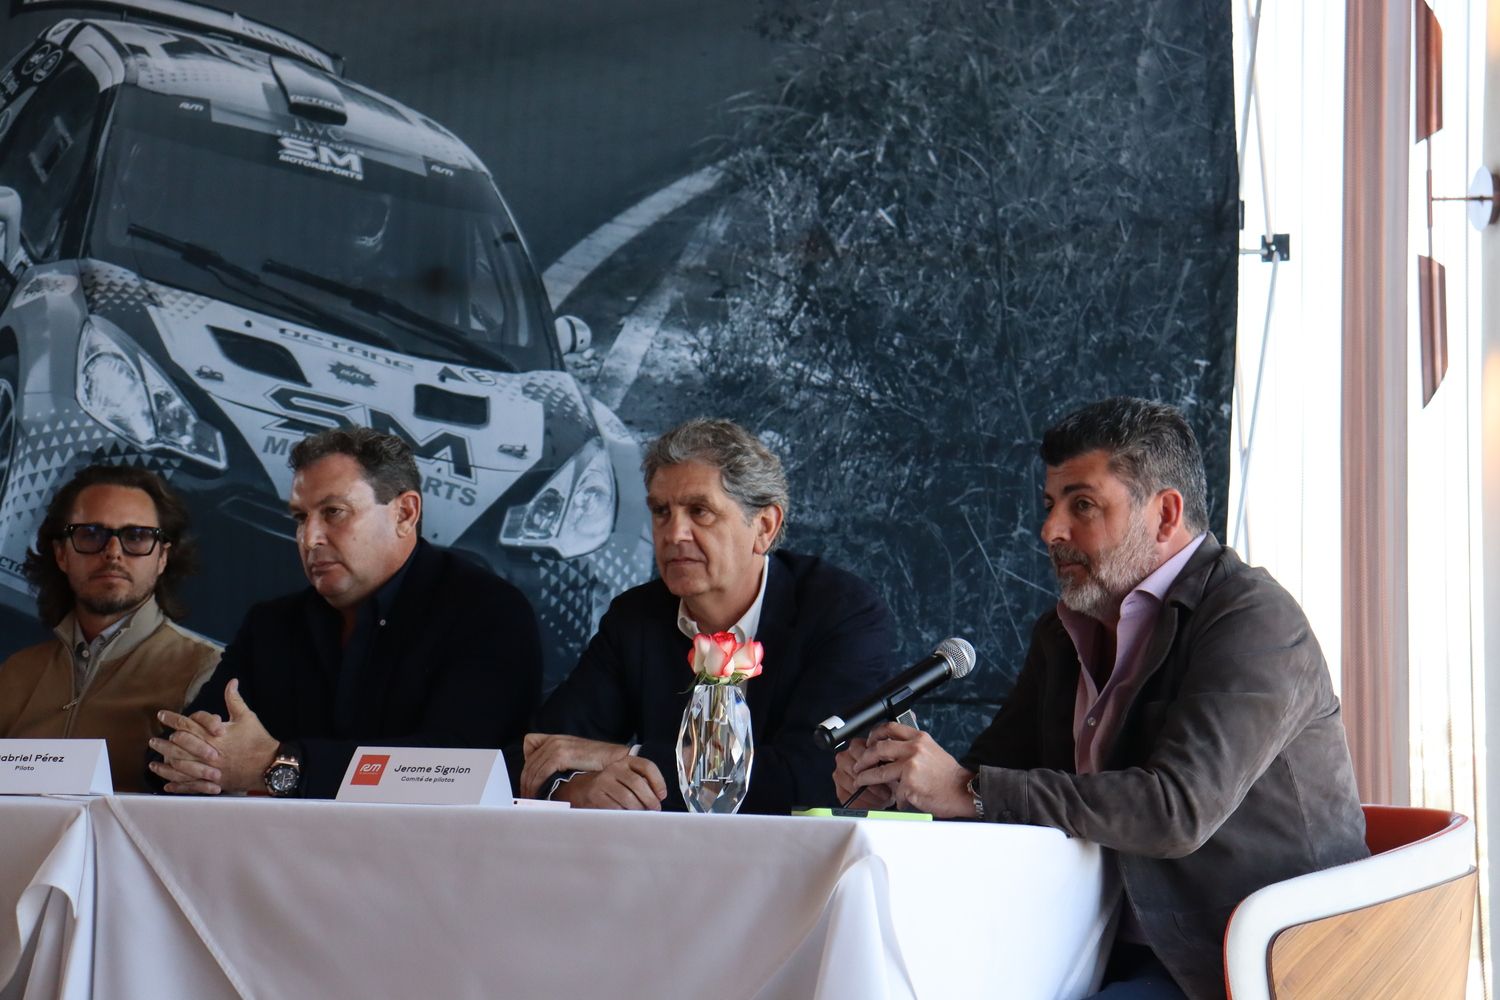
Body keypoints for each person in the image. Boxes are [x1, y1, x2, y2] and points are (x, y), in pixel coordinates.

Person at [834, 397, 1368, 1000]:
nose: (1049, 530)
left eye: (1081, 505)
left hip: (1246, 964)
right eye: (1049, 505)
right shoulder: (1063, 631)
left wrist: (965, 791)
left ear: (1165, 514)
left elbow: (1176, 809)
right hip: (1084, 944)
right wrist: (905, 784)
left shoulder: (1253, 619)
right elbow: (985, 778)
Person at [521, 418, 900, 814]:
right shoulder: (636, 618)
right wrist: (575, 789)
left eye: (699, 511)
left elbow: (814, 776)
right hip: (662, 861)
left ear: (764, 527)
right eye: (661, 512)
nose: (673, 534)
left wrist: (624, 756)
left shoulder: (840, 612)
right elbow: (538, 751)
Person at [150, 427, 542, 799]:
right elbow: (169, 756)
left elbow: (457, 770)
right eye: (301, 518)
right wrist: (197, 757)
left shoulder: (488, 613)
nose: (309, 538)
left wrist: (277, 764)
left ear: (405, 513)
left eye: (333, 512)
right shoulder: (271, 625)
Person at [0, 465, 220, 792]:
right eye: (90, 534)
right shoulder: (15, 674)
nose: (113, 553)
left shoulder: (206, 671)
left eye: (135, 536)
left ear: (162, 557)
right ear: (61, 553)